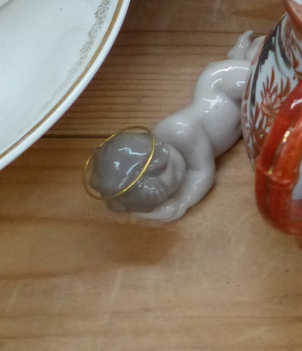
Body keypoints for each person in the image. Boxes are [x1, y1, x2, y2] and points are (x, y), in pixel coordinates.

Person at [85, 33, 262, 221]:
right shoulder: (165, 159)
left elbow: (202, 172)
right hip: (243, 114)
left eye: (176, 170)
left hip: (222, 85)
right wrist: (155, 208)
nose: (180, 179)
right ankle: (243, 57)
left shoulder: (181, 131)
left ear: (158, 154)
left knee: (263, 74)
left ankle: (249, 52)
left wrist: (182, 202)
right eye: (172, 189)